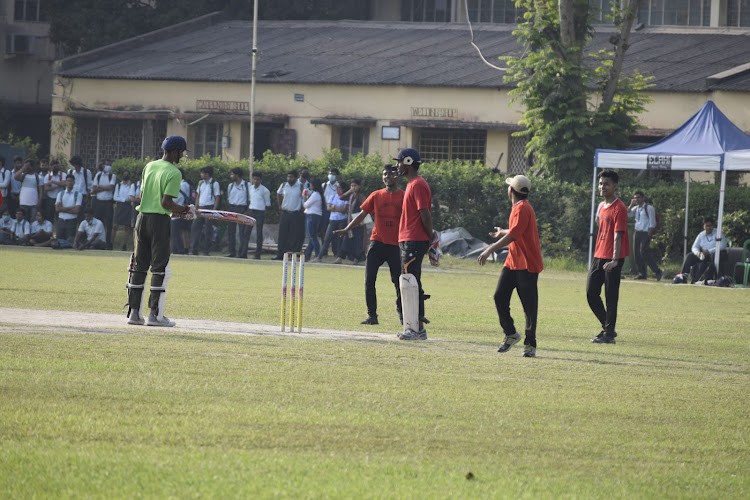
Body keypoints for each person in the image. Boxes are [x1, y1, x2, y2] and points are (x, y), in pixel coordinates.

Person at [126, 135, 193, 327]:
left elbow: (144, 196)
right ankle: (155, 315)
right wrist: (185, 210)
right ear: (173, 151)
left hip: (142, 219)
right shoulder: (174, 172)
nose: (182, 156)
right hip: (159, 223)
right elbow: (166, 203)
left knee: (139, 266)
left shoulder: (150, 166)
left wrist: (178, 211)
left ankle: (134, 313)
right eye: (181, 152)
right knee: (159, 267)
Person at [477, 175, 543, 358]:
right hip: (513, 262)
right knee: (500, 297)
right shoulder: (518, 207)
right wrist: (502, 232)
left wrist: (489, 249)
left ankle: (530, 344)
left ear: (511, 190)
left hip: (527, 264)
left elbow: (514, 235)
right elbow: (516, 230)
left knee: (529, 307)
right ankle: (511, 333)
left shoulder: (522, 208)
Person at [335, 165, 404, 325]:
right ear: (382, 177)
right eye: (385, 174)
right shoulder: (376, 195)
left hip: (395, 245)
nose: (388, 176)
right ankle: (372, 316)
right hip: (377, 243)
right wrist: (347, 229)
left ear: (397, 176)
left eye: (391, 174)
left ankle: (402, 314)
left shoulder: (403, 196)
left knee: (399, 281)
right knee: (369, 280)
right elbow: (362, 214)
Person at [395, 148, 434, 341]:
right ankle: (415, 327)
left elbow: (424, 213)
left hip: (414, 240)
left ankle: (415, 329)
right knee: (409, 282)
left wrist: (430, 237)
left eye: (400, 161)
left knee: (410, 282)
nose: (397, 165)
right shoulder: (412, 184)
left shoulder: (418, 184)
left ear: (408, 162)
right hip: (408, 239)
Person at [587, 170, 630, 344]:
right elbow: (601, 227)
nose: (602, 187)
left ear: (615, 186)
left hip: (613, 257)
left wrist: (614, 260)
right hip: (599, 254)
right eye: (601, 183)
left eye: (606, 184)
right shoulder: (602, 206)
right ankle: (608, 328)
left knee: (611, 296)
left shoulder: (619, 207)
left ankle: (609, 334)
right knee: (591, 293)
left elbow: (618, 235)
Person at [679, 216, 728, 283]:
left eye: (710, 226)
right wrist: (697, 253)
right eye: (706, 226)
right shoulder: (701, 235)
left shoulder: (719, 233)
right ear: (704, 226)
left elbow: (723, 246)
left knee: (714, 256)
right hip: (704, 255)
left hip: (717, 254)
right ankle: (683, 277)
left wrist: (709, 251)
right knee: (689, 256)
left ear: (713, 226)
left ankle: (719, 278)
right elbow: (694, 247)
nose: (708, 227)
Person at [628, 191, 663, 281]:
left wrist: (650, 233)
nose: (637, 199)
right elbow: (627, 214)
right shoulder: (635, 208)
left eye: (638, 197)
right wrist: (631, 205)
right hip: (637, 232)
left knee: (643, 252)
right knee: (637, 254)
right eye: (635, 198)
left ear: (643, 198)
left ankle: (657, 271)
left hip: (646, 232)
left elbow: (653, 221)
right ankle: (642, 273)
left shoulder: (649, 208)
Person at [190, 166, 221, 256]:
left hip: (209, 207)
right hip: (200, 207)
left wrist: (214, 210)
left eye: (202, 173)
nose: (201, 175)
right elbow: (198, 196)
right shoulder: (200, 183)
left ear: (207, 174)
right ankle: (193, 250)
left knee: (208, 230)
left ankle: (206, 251)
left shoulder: (214, 183)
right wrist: (195, 208)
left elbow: (217, 197)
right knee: (195, 228)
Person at [274, 170, 305, 260]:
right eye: (288, 177)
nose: (289, 178)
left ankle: (293, 255)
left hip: (296, 213)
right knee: (283, 235)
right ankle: (280, 255)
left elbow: (304, 198)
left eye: (291, 177)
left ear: (295, 178)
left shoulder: (300, 186)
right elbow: (278, 194)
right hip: (285, 213)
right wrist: (280, 205)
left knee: (294, 235)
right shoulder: (284, 185)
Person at [336, 178, 366, 264]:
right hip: (350, 222)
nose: (353, 187)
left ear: (359, 186)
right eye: (352, 186)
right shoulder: (351, 195)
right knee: (346, 240)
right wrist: (350, 191)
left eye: (355, 186)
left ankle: (357, 259)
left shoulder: (361, 196)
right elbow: (341, 197)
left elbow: (365, 207)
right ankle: (340, 258)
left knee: (357, 242)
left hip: (358, 222)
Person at [225, 167, 250, 258]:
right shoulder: (230, 186)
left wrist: (247, 211)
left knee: (242, 232)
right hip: (232, 207)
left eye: (232, 174)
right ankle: (232, 252)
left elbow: (250, 199)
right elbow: (229, 198)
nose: (231, 176)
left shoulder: (247, 185)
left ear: (237, 175)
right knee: (231, 231)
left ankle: (242, 253)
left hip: (242, 208)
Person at [321, 181, 349, 261]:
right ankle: (320, 256)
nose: (337, 189)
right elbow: (328, 208)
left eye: (339, 188)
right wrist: (337, 208)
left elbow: (344, 210)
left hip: (342, 220)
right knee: (327, 238)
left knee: (339, 239)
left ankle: (338, 256)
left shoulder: (346, 197)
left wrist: (334, 207)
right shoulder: (333, 196)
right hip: (333, 219)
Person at [91, 162, 116, 249]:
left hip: (108, 203)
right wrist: (104, 187)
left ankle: (108, 244)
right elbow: (94, 189)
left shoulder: (112, 176)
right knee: (98, 223)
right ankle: (96, 243)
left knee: (108, 224)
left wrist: (100, 187)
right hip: (99, 202)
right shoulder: (98, 175)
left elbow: (111, 187)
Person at [247, 171, 271, 259]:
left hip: (260, 212)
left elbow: (267, 204)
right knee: (247, 232)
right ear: (252, 179)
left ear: (261, 180)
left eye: (258, 179)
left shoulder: (265, 190)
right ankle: (243, 253)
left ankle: (258, 254)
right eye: (254, 179)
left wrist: (264, 214)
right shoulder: (250, 188)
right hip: (251, 211)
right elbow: (249, 200)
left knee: (259, 234)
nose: (256, 181)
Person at [54, 174, 82, 246]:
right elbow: (57, 208)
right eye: (68, 181)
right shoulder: (60, 194)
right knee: (58, 242)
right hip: (61, 220)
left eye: (71, 181)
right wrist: (70, 207)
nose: (69, 183)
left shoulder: (78, 194)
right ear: (65, 182)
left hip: (72, 221)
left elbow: (76, 210)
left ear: (74, 182)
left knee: (69, 242)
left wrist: (62, 209)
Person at [170, 168, 192, 255]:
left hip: (179, 209)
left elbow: (179, 197)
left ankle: (180, 250)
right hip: (181, 208)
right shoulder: (184, 184)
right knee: (179, 231)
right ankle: (178, 249)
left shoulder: (182, 184)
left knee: (176, 231)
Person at [113, 169, 136, 251]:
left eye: (127, 174)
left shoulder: (132, 185)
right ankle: (111, 244)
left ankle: (124, 245)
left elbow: (131, 196)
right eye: (124, 174)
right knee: (115, 225)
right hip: (119, 206)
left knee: (127, 227)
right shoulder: (118, 185)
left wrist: (130, 186)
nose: (125, 175)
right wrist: (124, 199)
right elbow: (115, 197)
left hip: (127, 207)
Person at [319, 167, 340, 255]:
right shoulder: (324, 185)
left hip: (335, 210)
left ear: (337, 176)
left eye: (334, 174)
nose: (331, 176)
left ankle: (335, 251)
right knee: (323, 230)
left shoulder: (339, 186)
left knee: (335, 231)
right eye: (330, 174)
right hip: (325, 210)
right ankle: (324, 251)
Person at [302, 177, 324, 262]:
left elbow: (306, 205)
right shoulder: (317, 194)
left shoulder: (315, 194)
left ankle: (318, 255)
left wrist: (304, 197)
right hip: (314, 215)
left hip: (312, 216)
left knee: (312, 237)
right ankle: (307, 255)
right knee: (312, 237)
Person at [67, 155, 93, 220]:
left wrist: (87, 197)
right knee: (72, 216)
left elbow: (89, 186)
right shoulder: (70, 172)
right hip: (73, 196)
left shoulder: (86, 172)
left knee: (82, 216)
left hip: (83, 197)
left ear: (79, 164)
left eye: (75, 165)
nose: (74, 166)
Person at [41, 159, 66, 224]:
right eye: (53, 166)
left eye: (57, 166)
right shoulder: (48, 176)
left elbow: (63, 184)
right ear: (51, 167)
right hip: (50, 198)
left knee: (60, 217)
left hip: (60, 199)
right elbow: (46, 188)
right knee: (49, 217)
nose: (55, 168)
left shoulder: (63, 174)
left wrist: (52, 182)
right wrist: (57, 186)